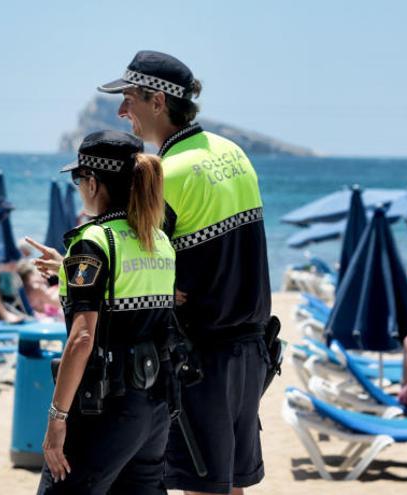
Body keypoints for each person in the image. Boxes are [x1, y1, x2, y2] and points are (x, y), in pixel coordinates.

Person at [98, 51, 272, 494]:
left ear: (157, 101)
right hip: (251, 348)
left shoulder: (164, 173)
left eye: (129, 98)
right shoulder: (232, 153)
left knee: (202, 485)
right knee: (230, 483)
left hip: (201, 354)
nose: (122, 111)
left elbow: (142, 268)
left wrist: (76, 268)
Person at [37, 131, 175, 494]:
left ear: (94, 182)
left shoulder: (93, 241)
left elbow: (82, 339)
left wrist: (57, 419)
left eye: (78, 179)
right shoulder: (157, 240)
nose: (79, 187)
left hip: (104, 407)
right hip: (154, 407)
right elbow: (128, 289)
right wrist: (67, 268)